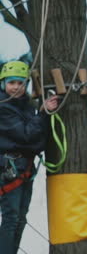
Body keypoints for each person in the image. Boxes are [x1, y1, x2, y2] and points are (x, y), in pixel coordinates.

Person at [0, 59, 58, 253]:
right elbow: (26, 134)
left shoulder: (26, 107)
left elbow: (37, 140)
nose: (16, 87)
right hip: (10, 168)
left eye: (20, 83)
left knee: (21, 218)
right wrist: (41, 116)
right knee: (11, 217)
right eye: (12, 83)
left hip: (24, 168)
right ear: (3, 84)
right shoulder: (3, 107)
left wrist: (40, 114)